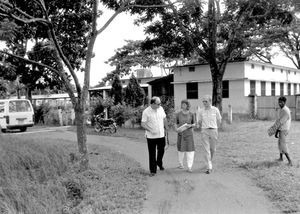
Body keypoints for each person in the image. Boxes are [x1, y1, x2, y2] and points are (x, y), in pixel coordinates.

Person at [141, 96, 168, 176]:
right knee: (152, 153)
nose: (160, 105)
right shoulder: (146, 112)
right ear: (152, 104)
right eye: (158, 104)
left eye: (160, 103)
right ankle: (153, 170)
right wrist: (150, 129)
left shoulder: (161, 109)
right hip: (151, 136)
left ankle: (159, 162)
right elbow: (143, 124)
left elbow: (164, 118)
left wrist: (166, 128)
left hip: (161, 135)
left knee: (161, 150)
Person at [197, 95, 222, 174]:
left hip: (214, 130)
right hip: (204, 131)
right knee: (206, 149)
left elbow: (219, 120)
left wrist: (216, 128)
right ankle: (209, 166)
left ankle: (209, 161)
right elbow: (199, 121)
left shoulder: (215, 110)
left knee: (213, 149)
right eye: (203, 101)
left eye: (206, 101)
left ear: (210, 101)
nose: (204, 103)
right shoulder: (201, 111)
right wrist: (201, 127)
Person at [268, 96, 293, 166]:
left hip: (284, 130)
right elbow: (279, 121)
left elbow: (280, 122)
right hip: (281, 129)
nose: (279, 103)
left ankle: (290, 161)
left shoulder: (285, 110)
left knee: (283, 145)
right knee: (280, 144)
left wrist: (274, 130)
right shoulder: (282, 109)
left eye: (281, 102)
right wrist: (277, 131)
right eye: (279, 102)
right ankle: (281, 158)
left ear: (284, 102)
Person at [175, 100, 196, 172]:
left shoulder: (191, 114)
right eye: (182, 104)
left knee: (190, 150)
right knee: (181, 150)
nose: (182, 106)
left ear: (187, 105)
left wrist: (190, 125)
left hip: (189, 134)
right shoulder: (178, 114)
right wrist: (176, 129)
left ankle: (189, 166)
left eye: (184, 104)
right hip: (181, 134)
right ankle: (181, 164)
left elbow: (194, 124)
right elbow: (175, 123)